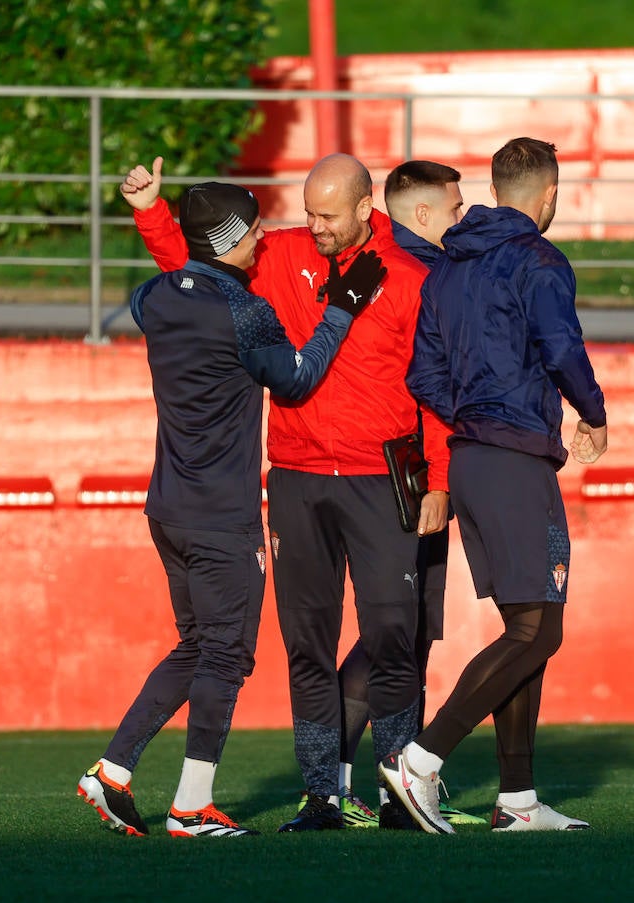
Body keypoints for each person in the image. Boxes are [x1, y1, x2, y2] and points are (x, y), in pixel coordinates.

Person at [121, 153, 453, 832]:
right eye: (308, 212)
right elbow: (196, 273)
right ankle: (321, 796)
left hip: (382, 477)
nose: (313, 226)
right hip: (298, 477)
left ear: (367, 208)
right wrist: (153, 213)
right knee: (307, 643)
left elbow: (436, 390)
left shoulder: (414, 277)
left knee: (395, 635)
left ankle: (399, 792)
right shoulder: (280, 256)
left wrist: (441, 481)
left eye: (327, 215)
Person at [76, 180, 386, 837]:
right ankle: (191, 808)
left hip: (168, 507)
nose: (262, 240)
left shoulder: (152, 298)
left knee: (197, 646)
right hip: (222, 516)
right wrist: (341, 312)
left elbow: (169, 288)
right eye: (250, 232)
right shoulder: (245, 311)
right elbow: (298, 377)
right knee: (226, 657)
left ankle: (113, 771)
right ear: (224, 242)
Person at [386, 137, 609, 834]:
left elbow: (422, 376)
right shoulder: (539, 260)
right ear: (548, 195)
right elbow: (562, 347)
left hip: (473, 458)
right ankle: (420, 759)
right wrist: (593, 415)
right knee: (541, 629)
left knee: (525, 624)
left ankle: (517, 802)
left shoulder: (447, 270)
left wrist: (475, 419)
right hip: (513, 460)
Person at [328, 158, 483, 828]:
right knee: (396, 634)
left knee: (403, 634)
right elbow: (427, 385)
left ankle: (372, 783)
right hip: (404, 476)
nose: (463, 216)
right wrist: (443, 481)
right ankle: (351, 783)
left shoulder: (382, 263)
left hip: (393, 471)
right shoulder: (420, 274)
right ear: (422, 215)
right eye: (455, 206)